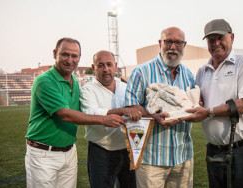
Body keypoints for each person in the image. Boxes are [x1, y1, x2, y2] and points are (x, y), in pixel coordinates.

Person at [25, 38, 132, 188]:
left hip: (69, 151)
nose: (70, 60)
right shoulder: (44, 81)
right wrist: (106, 118)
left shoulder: (74, 82)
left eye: (74, 56)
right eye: (65, 55)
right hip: (44, 152)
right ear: (55, 53)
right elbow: (66, 114)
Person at [181, 19, 243, 188]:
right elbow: (196, 102)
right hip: (214, 150)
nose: (216, 43)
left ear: (231, 38)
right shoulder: (203, 71)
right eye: (211, 40)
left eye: (220, 38)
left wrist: (208, 111)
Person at [125, 27, 195, 188]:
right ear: (160, 43)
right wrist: (153, 116)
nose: (173, 47)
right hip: (151, 160)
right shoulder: (141, 72)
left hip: (182, 157)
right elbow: (130, 106)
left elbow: (193, 105)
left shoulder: (188, 75)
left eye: (178, 43)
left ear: (184, 45)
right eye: (168, 41)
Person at [80, 50, 141, 188]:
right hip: (101, 151)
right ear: (94, 67)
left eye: (109, 64)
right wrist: (122, 110)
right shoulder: (88, 89)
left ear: (115, 66)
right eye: (100, 65)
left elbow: (139, 107)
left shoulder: (125, 87)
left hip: (128, 150)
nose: (106, 69)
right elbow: (91, 112)